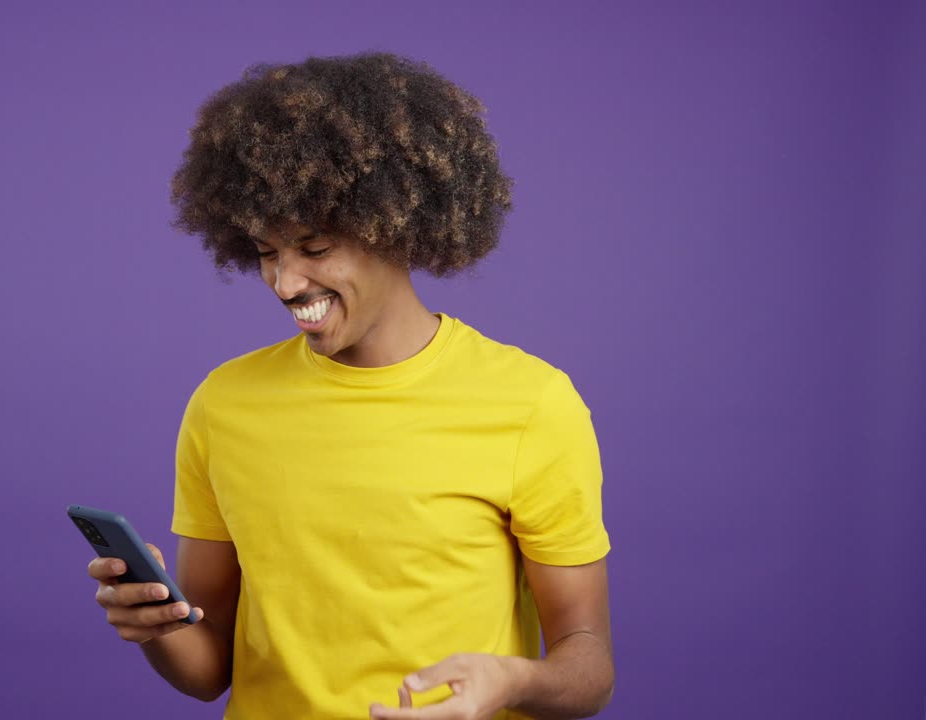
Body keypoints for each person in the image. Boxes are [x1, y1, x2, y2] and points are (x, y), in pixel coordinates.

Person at [86, 52, 614, 720]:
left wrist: (511, 682)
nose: (285, 283)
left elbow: (588, 662)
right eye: (266, 253)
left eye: (312, 248)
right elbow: (208, 668)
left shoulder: (531, 403)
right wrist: (159, 627)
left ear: (394, 226)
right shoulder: (224, 404)